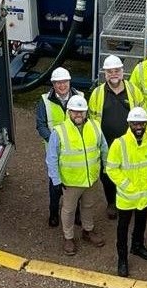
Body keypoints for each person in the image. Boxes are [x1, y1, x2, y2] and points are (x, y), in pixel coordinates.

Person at [45, 95, 108, 256]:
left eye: (81, 111)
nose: (78, 114)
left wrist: (106, 169)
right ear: (69, 112)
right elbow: (51, 158)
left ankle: (88, 231)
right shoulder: (59, 131)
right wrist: (56, 180)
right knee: (69, 210)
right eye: (75, 111)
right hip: (70, 181)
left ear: (86, 112)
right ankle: (68, 237)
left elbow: (104, 149)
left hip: (91, 179)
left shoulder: (95, 126)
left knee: (88, 206)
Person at [105, 107, 147, 277]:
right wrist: (126, 185)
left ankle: (137, 247)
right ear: (129, 124)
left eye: (141, 123)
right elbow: (111, 168)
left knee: (141, 222)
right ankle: (122, 259)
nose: (138, 126)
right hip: (126, 196)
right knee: (122, 228)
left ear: (146, 124)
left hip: (145, 194)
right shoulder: (119, 143)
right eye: (135, 123)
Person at [88, 55, 144, 220]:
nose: (114, 74)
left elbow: (142, 115)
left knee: (129, 172)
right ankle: (111, 202)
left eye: (116, 70)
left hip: (129, 143)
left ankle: (129, 200)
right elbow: (91, 121)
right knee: (107, 175)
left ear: (122, 72)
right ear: (105, 74)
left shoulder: (133, 91)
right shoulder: (97, 93)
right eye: (110, 71)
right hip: (106, 144)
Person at [36, 66, 82, 227]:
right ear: (53, 85)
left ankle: (76, 213)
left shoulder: (80, 97)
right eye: (58, 83)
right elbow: (41, 125)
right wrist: (55, 140)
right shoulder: (44, 101)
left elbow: (85, 121)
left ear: (69, 82)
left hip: (76, 151)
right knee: (55, 185)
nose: (62, 86)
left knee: (77, 184)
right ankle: (54, 213)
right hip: (54, 151)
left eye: (64, 82)